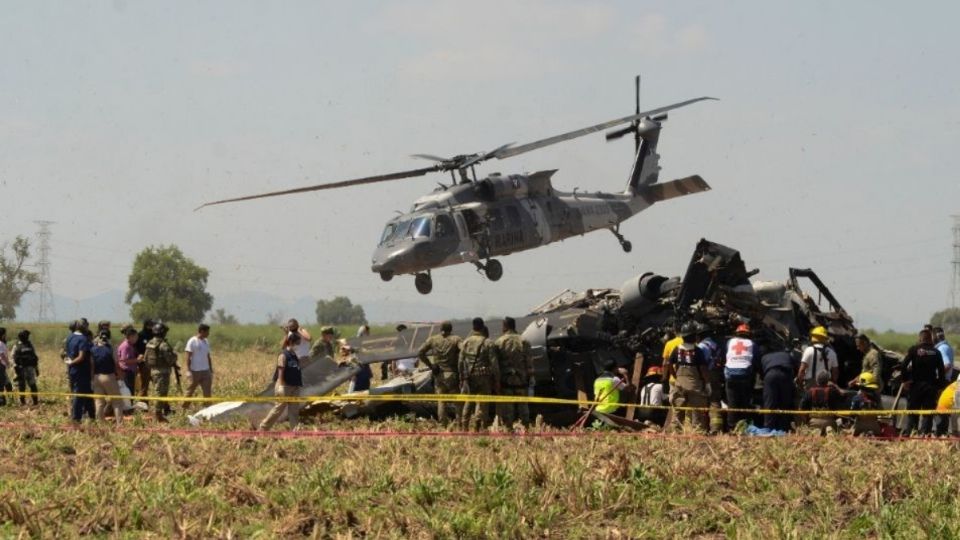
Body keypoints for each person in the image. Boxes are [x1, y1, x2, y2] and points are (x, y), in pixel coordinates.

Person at [899, 328, 945, 436]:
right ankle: (925, 435)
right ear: (930, 339)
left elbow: (903, 366)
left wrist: (905, 380)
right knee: (927, 414)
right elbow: (941, 372)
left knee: (913, 412)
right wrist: (939, 386)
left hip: (915, 386)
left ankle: (912, 434)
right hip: (930, 387)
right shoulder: (936, 352)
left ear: (920, 339)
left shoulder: (914, 350)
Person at [664, 323, 709, 431]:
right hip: (694, 384)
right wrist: (707, 383)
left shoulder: (676, 349)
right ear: (694, 336)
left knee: (678, 410)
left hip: (679, 383)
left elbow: (668, 364)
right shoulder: (698, 351)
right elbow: (702, 369)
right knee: (697, 411)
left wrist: (675, 376)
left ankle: (676, 434)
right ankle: (697, 434)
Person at [417, 321, 462, 424]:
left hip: (438, 375)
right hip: (452, 374)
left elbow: (420, 352)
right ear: (451, 329)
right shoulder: (456, 339)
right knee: (458, 402)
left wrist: (431, 365)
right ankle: (460, 424)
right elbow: (463, 350)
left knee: (441, 401)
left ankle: (443, 424)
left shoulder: (433, 339)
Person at [459, 317, 499, 430]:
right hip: (484, 377)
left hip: (469, 376)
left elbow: (460, 362)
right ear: (482, 327)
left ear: (473, 327)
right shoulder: (488, 342)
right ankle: (480, 424)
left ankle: (464, 425)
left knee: (468, 401)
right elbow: (494, 364)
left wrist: (462, 378)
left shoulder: (466, 342)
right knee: (483, 402)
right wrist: (497, 380)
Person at [493, 317, 534, 427]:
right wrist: (531, 377)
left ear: (505, 326)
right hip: (521, 379)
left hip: (506, 380)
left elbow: (495, 364)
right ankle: (526, 428)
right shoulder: (524, 341)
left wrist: (496, 380)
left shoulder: (499, 342)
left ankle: (509, 429)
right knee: (523, 406)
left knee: (508, 407)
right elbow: (529, 362)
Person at [259, 332, 304, 431]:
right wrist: (281, 386)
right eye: (297, 343)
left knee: (294, 411)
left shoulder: (294, 356)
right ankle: (263, 428)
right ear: (291, 342)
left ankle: (295, 430)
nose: (298, 346)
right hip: (284, 386)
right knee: (278, 409)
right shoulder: (284, 355)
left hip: (295, 387)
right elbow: (280, 371)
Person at [724, 324, 759, 427]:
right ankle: (744, 425)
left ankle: (731, 427)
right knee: (745, 401)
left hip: (730, 375)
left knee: (732, 402)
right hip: (745, 375)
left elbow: (726, 355)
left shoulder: (730, 342)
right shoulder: (752, 344)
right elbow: (756, 360)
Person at [144, 322, 178, 422]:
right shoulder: (163, 345)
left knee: (158, 392)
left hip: (153, 371)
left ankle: (160, 412)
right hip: (163, 372)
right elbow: (170, 360)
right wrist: (175, 355)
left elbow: (146, 359)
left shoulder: (150, 343)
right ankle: (158, 415)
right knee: (161, 393)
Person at [759, 345, 797, 432]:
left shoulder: (764, 357)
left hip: (770, 375)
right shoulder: (787, 355)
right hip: (785, 375)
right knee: (785, 402)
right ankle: (784, 427)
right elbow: (795, 368)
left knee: (769, 402)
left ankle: (768, 427)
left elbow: (761, 374)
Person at [65, 320, 95, 423]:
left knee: (87, 394)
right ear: (84, 328)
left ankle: (91, 416)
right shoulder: (83, 339)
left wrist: (70, 363)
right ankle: (76, 418)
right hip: (82, 371)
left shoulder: (70, 337)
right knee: (79, 394)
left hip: (72, 371)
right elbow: (81, 356)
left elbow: (66, 353)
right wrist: (72, 363)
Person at [90, 328, 123, 424]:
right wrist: (120, 376)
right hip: (109, 376)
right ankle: (120, 424)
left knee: (99, 402)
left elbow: (91, 365)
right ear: (109, 337)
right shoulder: (111, 348)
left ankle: (101, 423)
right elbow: (116, 363)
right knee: (116, 401)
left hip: (96, 377)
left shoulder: (93, 349)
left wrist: (92, 379)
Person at [697, 324, 725, 433]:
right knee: (714, 401)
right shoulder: (715, 345)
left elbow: (700, 364)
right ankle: (716, 429)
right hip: (715, 374)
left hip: (705, 376)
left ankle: (702, 428)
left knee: (701, 400)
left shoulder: (701, 347)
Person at [799, 370, 845, 435]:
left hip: (813, 423)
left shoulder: (810, 392)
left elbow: (800, 409)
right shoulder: (833, 391)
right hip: (829, 422)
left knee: (813, 433)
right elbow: (843, 396)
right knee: (832, 429)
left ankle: (816, 431)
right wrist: (835, 385)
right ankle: (829, 430)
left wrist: (806, 421)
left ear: (816, 380)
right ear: (828, 381)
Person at [184, 323, 214, 407]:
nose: (208, 333)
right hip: (195, 371)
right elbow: (188, 356)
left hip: (205, 370)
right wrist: (188, 370)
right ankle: (184, 407)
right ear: (202, 331)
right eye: (207, 332)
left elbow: (208, 356)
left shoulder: (206, 342)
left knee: (207, 391)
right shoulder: (192, 341)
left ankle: (208, 408)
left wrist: (210, 369)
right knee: (190, 390)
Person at [11, 329, 40, 405]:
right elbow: (12, 358)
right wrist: (15, 367)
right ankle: (22, 401)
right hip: (21, 369)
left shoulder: (30, 345)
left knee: (33, 385)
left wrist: (36, 369)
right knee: (21, 386)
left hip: (30, 368)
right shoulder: (16, 346)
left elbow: (34, 358)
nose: (27, 337)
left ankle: (35, 401)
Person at [116, 326, 141, 396]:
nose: (137, 338)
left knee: (131, 390)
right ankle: (128, 406)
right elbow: (124, 360)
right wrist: (137, 360)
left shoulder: (130, 345)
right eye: (136, 337)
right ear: (131, 337)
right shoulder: (126, 346)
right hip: (126, 372)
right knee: (128, 391)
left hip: (130, 372)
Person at [135, 319, 155, 401]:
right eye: (149, 325)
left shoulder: (154, 335)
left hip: (154, 363)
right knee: (145, 384)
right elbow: (136, 348)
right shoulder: (140, 335)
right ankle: (143, 403)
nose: (150, 327)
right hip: (144, 363)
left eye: (151, 325)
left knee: (157, 384)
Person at [0, 328, 9, 406]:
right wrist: (7, 362)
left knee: (5, 383)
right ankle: (2, 401)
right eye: (5, 334)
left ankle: (5, 400)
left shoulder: (3, 343)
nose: (6, 335)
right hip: (1, 366)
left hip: (3, 366)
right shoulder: (0, 344)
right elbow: (2, 355)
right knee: (1, 384)